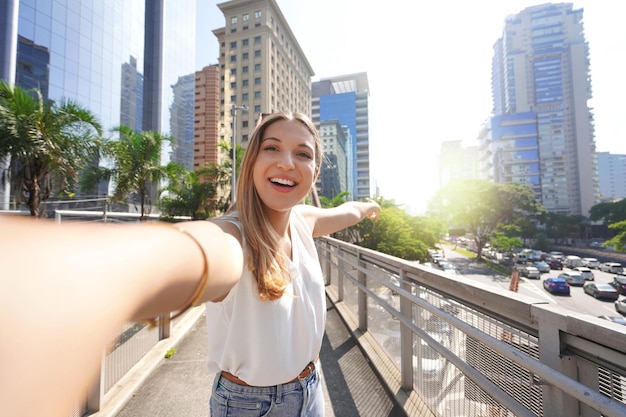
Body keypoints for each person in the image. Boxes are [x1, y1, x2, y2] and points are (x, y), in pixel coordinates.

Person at [0, 111, 380, 417]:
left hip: (311, 389)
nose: (287, 162)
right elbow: (190, 252)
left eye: (303, 153)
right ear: (250, 164)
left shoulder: (303, 220)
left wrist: (368, 208)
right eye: (272, 148)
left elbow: (345, 211)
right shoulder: (231, 235)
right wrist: (73, 280)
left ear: (314, 172)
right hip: (252, 406)